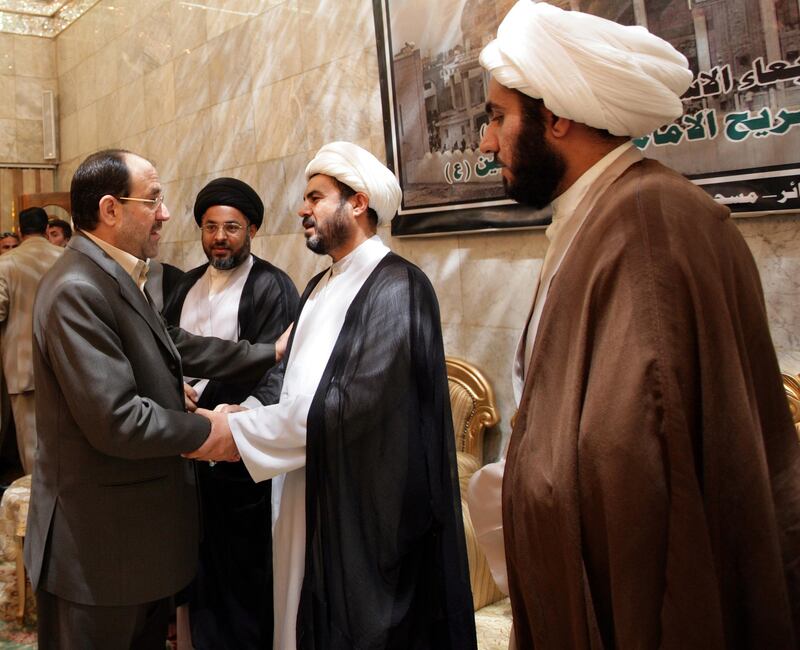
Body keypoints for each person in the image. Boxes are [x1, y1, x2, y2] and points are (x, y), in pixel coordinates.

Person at [467, 2, 800, 649]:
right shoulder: (605, 211)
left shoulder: (650, 226)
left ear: (556, 116)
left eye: (498, 117)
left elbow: (634, 465)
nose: (486, 143)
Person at [190, 142, 476, 649]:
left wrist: (235, 433)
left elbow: (350, 405)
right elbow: (295, 379)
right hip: (301, 487)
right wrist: (248, 410)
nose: (302, 209)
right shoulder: (319, 284)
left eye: (315, 197)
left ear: (358, 204)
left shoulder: (397, 287)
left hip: (359, 509)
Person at [24, 149, 278, 649]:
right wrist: (215, 433)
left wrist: (271, 351)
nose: (165, 213)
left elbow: (169, 346)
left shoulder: (117, 274)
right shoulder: (77, 287)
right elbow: (118, 420)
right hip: (99, 553)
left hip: (134, 548)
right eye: (154, 200)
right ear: (111, 208)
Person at [164, 177, 299, 649]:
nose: (219, 238)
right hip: (188, 450)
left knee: (243, 571)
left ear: (253, 230)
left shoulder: (272, 285)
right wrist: (170, 387)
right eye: (210, 227)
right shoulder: (184, 286)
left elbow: (282, 366)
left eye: (232, 228)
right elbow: (167, 352)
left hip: (242, 456)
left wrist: (250, 414)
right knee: (196, 564)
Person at [0, 207, 63, 472]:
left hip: (23, 368)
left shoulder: (6, 263)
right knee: (64, 445)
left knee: (32, 450)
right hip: (65, 365)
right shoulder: (65, 258)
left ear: (20, 230)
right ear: (47, 228)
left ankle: (37, 508)